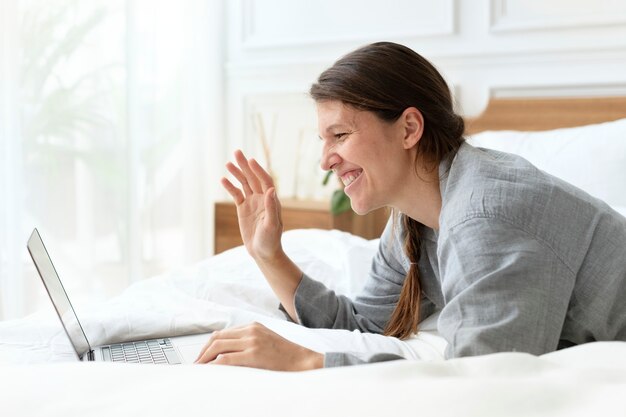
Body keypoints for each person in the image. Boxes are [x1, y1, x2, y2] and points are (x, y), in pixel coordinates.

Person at [195, 41, 626, 370]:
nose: (325, 159)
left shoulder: (485, 217)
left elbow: (484, 383)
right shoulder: (414, 220)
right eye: (322, 140)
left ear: (409, 128)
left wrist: (308, 363)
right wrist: (268, 255)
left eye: (340, 135)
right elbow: (365, 324)